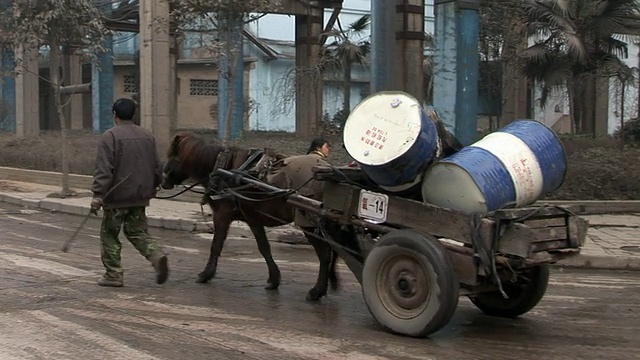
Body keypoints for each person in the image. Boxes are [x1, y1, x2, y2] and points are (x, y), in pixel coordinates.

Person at [90, 98, 169, 287]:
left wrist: (97, 196)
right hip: (140, 196)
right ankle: (156, 256)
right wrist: (156, 185)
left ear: (114, 115)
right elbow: (157, 166)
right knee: (137, 231)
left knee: (109, 234)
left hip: (117, 197)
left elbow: (104, 170)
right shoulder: (147, 136)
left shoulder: (109, 137)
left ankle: (113, 274)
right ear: (134, 115)